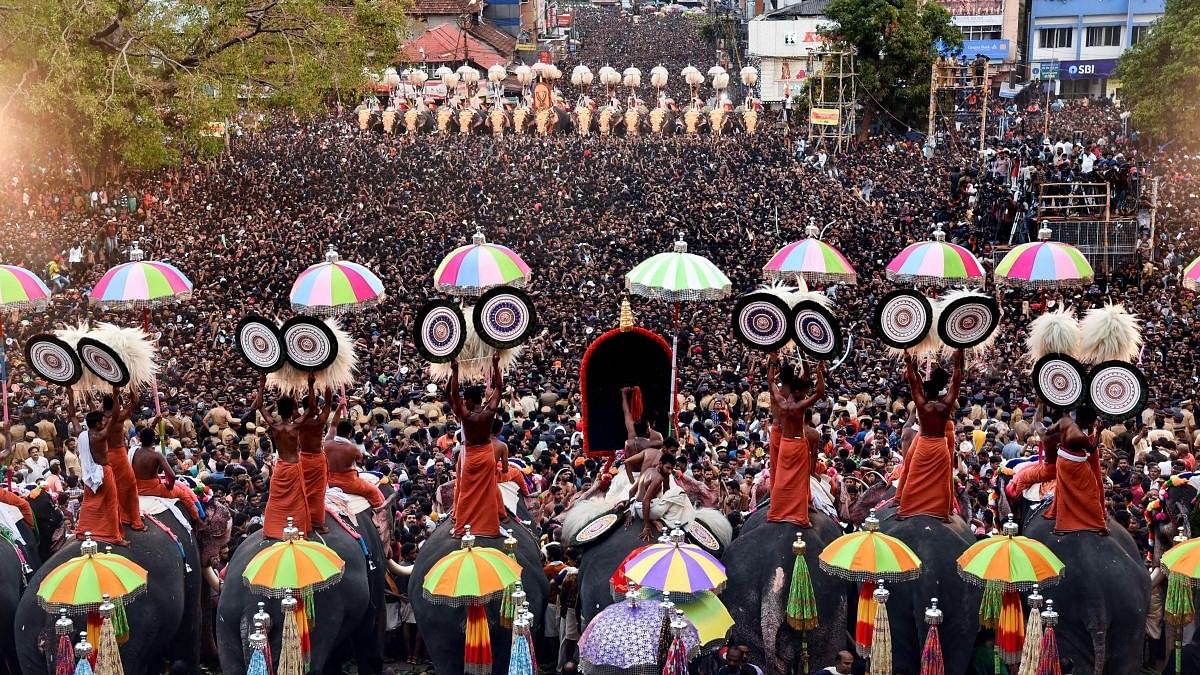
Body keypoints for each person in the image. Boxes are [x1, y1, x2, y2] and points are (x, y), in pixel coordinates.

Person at [896, 351, 964, 521]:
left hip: (925, 445)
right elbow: (956, 383)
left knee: (914, 478)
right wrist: (957, 363)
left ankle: (905, 510)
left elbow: (913, 382)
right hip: (941, 446)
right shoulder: (946, 405)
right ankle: (944, 514)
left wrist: (909, 362)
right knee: (943, 481)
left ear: (925, 392)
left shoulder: (921, 405)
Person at [449, 353, 503, 538]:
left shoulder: (467, 415)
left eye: (466, 399)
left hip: (472, 457)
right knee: (488, 491)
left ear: (471, 400)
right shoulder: (489, 412)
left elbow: (453, 395)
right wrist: (495, 365)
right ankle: (488, 527)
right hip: (487, 455)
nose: (464, 401)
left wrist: (455, 371)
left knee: (466, 493)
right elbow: (499, 388)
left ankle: (462, 528)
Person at [767, 359, 825, 528]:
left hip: (784, 444)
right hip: (797, 445)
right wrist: (819, 371)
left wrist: (772, 361)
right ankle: (800, 516)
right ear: (798, 391)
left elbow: (771, 382)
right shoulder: (799, 406)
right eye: (805, 391)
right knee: (799, 480)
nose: (806, 394)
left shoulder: (781, 401)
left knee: (782, 478)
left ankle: (777, 511)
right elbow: (820, 392)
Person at [67, 387, 127, 545]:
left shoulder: (80, 432)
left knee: (89, 502)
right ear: (98, 423)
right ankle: (115, 537)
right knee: (111, 502)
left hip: (88, 474)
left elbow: (72, 414)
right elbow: (115, 417)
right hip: (103, 472)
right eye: (102, 420)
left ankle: (83, 530)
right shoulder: (100, 435)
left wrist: (70, 393)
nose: (105, 421)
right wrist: (115, 395)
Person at [254, 376, 310, 538]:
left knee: (275, 498)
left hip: (280, 467)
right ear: (292, 410)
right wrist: (311, 385)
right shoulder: (296, 425)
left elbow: (259, 405)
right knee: (297, 501)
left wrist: (262, 384)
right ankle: (298, 529)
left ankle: (272, 529)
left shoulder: (274, 425)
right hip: (293, 467)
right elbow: (311, 409)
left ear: (278, 410)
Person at [1046, 405, 1108, 535]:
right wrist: (1098, 432)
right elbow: (1091, 448)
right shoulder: (1079, 436)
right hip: (1075, 466)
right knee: (1092, 491)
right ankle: (1098, 525)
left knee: (1064, 490)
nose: (1091, 424)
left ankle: (1061, 525)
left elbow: (1048, 431)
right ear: (1086, 421)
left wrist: (1061, 442)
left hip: (1062, 460)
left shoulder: (1064, 421)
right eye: (1090, 422)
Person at [324, 399, 385, 508]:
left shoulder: (327, 442)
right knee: (374, 491)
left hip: (328, 480)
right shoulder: (353, 449)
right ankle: (381, 514)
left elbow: (333, 424)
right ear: (350, 433)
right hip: (347, 482)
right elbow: (359, 459)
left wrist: (339, 407)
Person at [132, 425, 199, 522]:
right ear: (153, 440)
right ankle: (198, 520)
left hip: (136, 487)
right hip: (152, 488)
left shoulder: (134, 452)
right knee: (184, 495)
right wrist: (170, 486)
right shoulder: (156, 455)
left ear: (140, 439)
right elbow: (172, 475)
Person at [103, 386, 146, 532]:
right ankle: (134, 520)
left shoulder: (98, 417)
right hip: (119, 454)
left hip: (104, 455)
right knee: (129, 485)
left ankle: (118, 515)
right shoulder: (119, 416)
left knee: (112, 486)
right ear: (119, 403)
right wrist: (133, 384)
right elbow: (135, 401)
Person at [296, 375, 333, 533]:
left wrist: (291, 387)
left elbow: (293, 406)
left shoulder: (298, 419)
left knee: (303, 489)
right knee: (317, 492)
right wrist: (328, 383)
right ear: (317, 406)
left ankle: (303, 519)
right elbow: (329, 403)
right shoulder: (319, 421)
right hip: (316, 460)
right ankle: (317, 523)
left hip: (303, 458)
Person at [621, 385, 664, 491]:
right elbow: (669, 446)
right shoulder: (656, 439)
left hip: (632, 476)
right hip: (648, 476)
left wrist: (624, 394)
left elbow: (626, 412)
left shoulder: (629, 440)